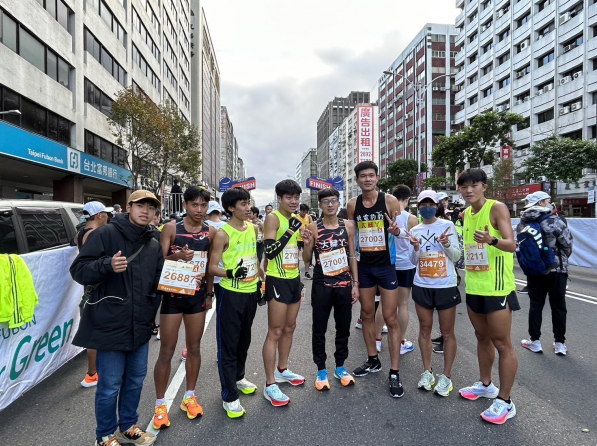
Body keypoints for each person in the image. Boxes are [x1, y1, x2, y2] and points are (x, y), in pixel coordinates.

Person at [70, 190, 163, 446]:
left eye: (151, 207)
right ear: (129, 207)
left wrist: (182, 276)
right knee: (110, 386)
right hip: (109, 324)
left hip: (141, 325)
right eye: (140, 205)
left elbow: (158, 282)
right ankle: (105, 435)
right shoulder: (105, 234)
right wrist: (107, 265)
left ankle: (129, 427)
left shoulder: (153, 243)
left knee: (135, 381)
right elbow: (78, 270)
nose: (146, 211)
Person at [456, 169, 520, 425]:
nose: (469, 190)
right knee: (481, 337)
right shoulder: (466, 214)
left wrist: (491, 239)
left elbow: (511, 244)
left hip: (497, 288)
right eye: (464, 186)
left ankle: (505, 401)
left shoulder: (497, 208)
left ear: (484, 186)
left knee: (502, 344)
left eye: (474, 185)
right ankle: (486, 385)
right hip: (474, 286)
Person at [153, 187, 216, 430]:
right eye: (194, 205)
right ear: (185, 205)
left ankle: (189, 396)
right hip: (172, 296)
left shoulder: (210, 232)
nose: (199, 210)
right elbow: (158, 262)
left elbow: (209, 266)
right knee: (167, 350)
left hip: (196, 297)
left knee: (194, 347)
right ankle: (160, 404)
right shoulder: (171, 228)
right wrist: (177, 257)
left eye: (203, 205)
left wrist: (209, 294)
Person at [347, 161, 404, 398]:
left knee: (390, 318)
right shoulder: (353, 204)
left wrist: (396, 232)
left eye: (371, 175)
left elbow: (400, 232)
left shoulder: (390, 201)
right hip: (365, 267)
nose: (368, 179)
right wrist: (353, 274)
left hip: (386, 266)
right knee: (367, 314)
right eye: (363, 176)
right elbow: (352, 237)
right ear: (357, 180)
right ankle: (373, 359)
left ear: (377, 178)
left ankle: (395, 372)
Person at [209, 188, 263, 418]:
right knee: (228, 345)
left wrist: (261, 282)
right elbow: (212, 267)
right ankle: (229, 395)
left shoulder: (253, 228)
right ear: (230, 208)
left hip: (251, 292)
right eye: (243, 204)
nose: (248, 207)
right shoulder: (223, 234)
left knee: (244, 340)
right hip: (230, 294)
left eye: (248, 203)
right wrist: (231, 273)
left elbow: (254, 258)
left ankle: (239, 378)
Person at [302, 188, 359, 391]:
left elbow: (352, 255)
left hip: (344, 284)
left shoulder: (348, 226)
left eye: (333, 200)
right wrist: (307, 244)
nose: (330, 204)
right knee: (319, 328)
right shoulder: (313, 227)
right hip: (322, 284)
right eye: (326, 201)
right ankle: (321, 369)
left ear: (339, 203)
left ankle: (340, 366)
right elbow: (307, 259)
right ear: (320, 205)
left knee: (343, 327)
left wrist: (356, 284)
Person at [406, 191, 461, 397]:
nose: (426, 207)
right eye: (422, 204)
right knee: (424, 330)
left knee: (447, 333)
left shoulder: (448, 225)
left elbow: (456, 256)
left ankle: (446, 376)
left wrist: (446, 244)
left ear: (437, 206)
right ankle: (427, 372)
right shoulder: (415, 229)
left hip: (445, 285)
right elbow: (413, 261)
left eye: (430, 204)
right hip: (422, 284)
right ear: (418, 207)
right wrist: (415, 247)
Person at [262, 179, 305, 406]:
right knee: (275, 331)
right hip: (277, 279)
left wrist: (306, 242)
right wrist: (290, 231)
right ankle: (270, 384)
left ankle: (282, 369)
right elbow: (270, 251)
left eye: (296, 197)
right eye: (289, 197)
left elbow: (298, 254)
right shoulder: (273, 218)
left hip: (293, 279)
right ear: (279, 198)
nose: (293, 201)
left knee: (290, 327)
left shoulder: (295, 220)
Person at [517, 191, 573, 356]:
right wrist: (560, 258)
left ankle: (535, 341)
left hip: (535, 270)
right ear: (540, 203)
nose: (550, 203)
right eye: (548, 201)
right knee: (558, 306)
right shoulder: (553, 220)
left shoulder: (522, 223)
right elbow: (567, 244)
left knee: (536, 305)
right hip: (557, 270)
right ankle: (560, 343)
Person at [74, 201, 114, 389]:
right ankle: (92, 373)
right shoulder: (95, 234)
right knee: (96, 331)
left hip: (90, 286)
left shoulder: (81, 233)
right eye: (106, 214)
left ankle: (94, 372)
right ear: (99, 215)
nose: (108, 217)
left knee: (94, 329)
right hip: (97, 287)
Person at [387, 184, 418, 356]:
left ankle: (377, 339)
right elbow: (415, 243)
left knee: (383, 303)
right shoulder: (411, 218)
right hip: (406, 264)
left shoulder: (387, 215)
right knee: (403, 304)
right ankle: (400, 341)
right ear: (407, 199)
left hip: (388, 263)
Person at [206, 200, 226, 301]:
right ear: (220, 213)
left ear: (206, 213)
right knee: (221, 303)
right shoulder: (227, 227)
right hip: (222, 270)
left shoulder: (203, 226)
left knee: (203, 303)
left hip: (204, 270)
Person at [296, 204, 314, 280]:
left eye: (306, 212)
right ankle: (297, 272)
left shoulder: (309, 217)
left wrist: (308, 229)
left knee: (307, 256)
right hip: (297, 239)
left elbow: (312, 225)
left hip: (306, 240)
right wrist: (300, 229)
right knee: (296, 256)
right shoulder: (296, 217)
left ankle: (306, 273)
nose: (304, 213)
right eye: (303, 211)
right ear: (300, 210)